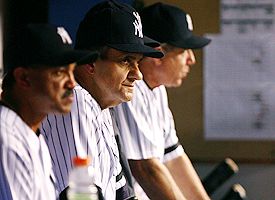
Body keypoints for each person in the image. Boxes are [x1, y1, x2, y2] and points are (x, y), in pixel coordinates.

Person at [40, 1, 163, 200]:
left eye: (138, 62)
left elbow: (123, 195)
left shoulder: (102, 107)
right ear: (90, 62)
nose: (137, 74)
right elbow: (79, 196)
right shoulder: (75, 101)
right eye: (126, 61)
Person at [112, 2, 211, 200]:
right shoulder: (130, 89)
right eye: (184, 51)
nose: (191, 60)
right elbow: (145, 168)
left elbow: (173, 156)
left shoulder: (157, 90)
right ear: (159, 54)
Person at [0, 23, 97, 200]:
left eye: (72, 71)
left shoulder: (29, 131)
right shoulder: (7, 140)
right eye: (60, 72)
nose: (72, 83)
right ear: (23, 78)